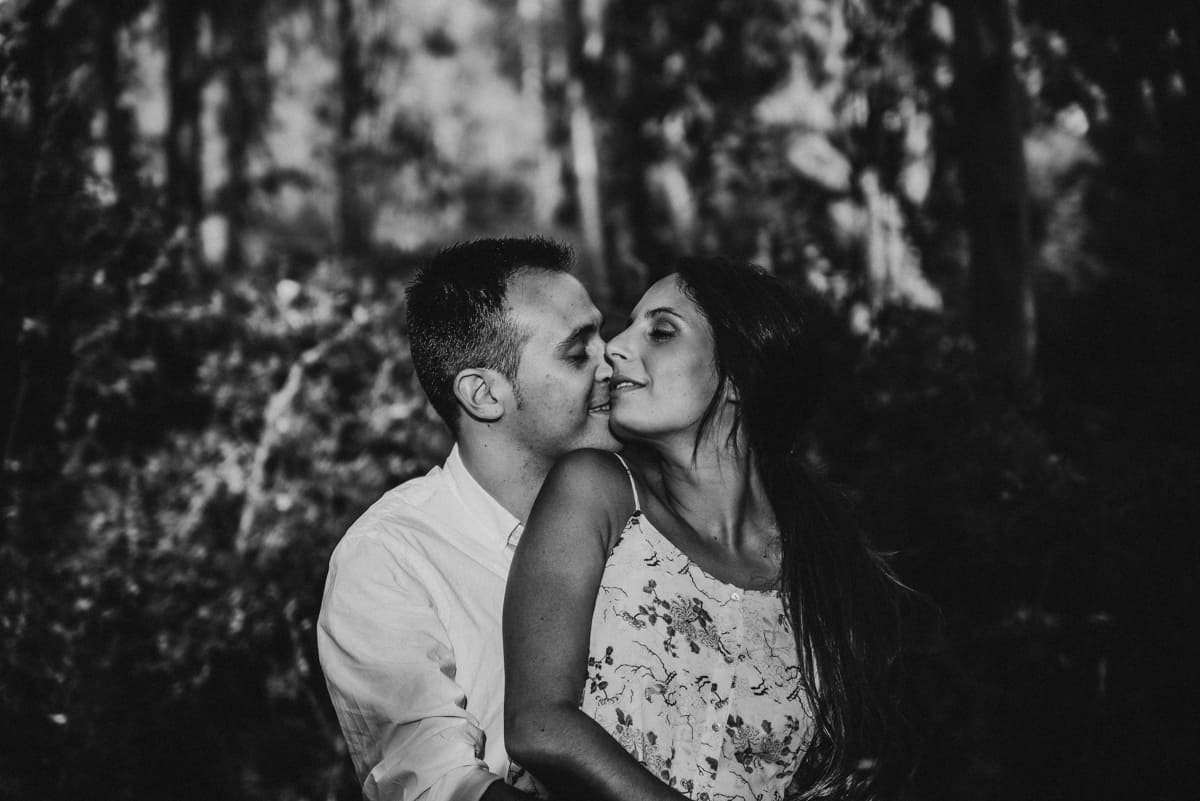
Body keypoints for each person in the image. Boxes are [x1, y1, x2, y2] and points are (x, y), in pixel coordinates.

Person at [504, 257, 905, 800]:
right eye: (630, 326)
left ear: (738, 377)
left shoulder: (821, 566)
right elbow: (537, 725)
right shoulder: (599, 492)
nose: (615, 347)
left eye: (661, 332)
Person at [317, 236, 620, 801]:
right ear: (483, 394)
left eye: (604, 336)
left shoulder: (645, 507)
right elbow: (438, 782)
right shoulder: (390, 559)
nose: (614, 362)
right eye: (579, 353)